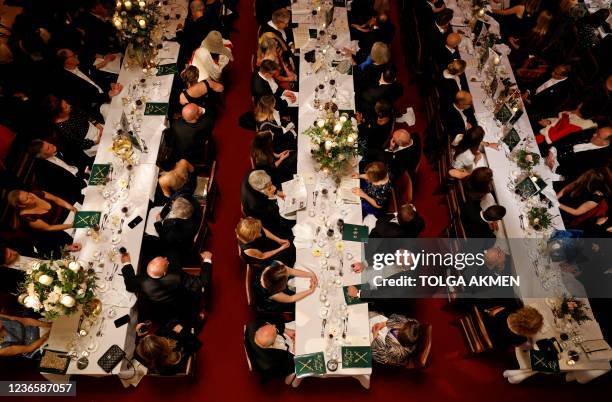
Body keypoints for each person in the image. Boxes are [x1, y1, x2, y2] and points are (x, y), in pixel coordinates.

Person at [122, 251, 212, 324]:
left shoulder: (141, 281)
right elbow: (203, 282)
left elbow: (129, 284)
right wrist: (207, 259)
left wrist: (126, 262)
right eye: (166, 262)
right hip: (182, 305)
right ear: (164, 273)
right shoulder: (177, 277)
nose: (166, 258)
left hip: (160, 312)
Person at [54, 48, 122, 119]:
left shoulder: (80, 66)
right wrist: (108, 94)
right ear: (67, 61)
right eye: (73, 55)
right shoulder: (67, 81)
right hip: (99, 105)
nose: (76, 56)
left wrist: (110, 84)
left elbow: (97, 78)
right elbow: (86, 99)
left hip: (107, 93)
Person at [7, 189, 75, 256]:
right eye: (27, 199)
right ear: (21, 206)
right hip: (53, 236)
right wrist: (72, 225)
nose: (31, 196)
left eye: (28, 193)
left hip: (66, 218)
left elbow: (56, 199)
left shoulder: (36, 193)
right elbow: (49, 228)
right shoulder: (27, 217)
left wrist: (72, 208)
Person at [27, 139, 86, 204]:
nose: (51, 145)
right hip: (78, 189)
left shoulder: (58, 144)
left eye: (48, 143)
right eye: (48, 148)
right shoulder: (43, 173)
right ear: (42, 156)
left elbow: (78, 157)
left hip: (84, 173)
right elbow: (62, 191)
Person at [46, 95, 101, 163]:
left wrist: (97, 124)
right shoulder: (62, 129)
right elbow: (79, 143)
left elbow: (85, 114)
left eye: (66, 103)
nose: (69, 105)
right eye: (66, 107)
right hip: (90, 143)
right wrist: (96, 141)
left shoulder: (70, 109)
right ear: (59, 114)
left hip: (95, 128)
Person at [135, 319, 201, 375]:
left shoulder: (153, 362)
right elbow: (197, 344)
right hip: (183, 338)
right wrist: (181, 330)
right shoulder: (179, 354)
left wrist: (140, 336)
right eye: (159, 339)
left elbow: (142, 353)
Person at [544, 126, 611, 180]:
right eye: (597, 131)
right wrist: (552, 151)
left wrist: (553, 167)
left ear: (605, 142)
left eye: (598, 135)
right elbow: (568, 138)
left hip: (556, 174)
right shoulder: (591, 132)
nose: (594, 134)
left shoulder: (602, 159)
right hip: (549, 155)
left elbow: (576, 173)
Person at [240, 169, 294, 238]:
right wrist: (271, 197)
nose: (271, 184)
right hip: (264, 218)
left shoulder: (256, 174)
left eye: (270, 182)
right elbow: (272, 215)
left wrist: (276, 191)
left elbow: (270, 181)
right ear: (260, 189)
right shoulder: (255, 204)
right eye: (269, 186)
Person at [244, 319, 296, 383]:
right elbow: (290, 363)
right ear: (272, 344)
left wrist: (286, 330)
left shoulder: (254, 325)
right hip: (281, 367)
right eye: (275, 330)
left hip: (278, 344)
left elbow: (272, 326)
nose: (274, 325)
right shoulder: (273, 360)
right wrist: (294, 347)